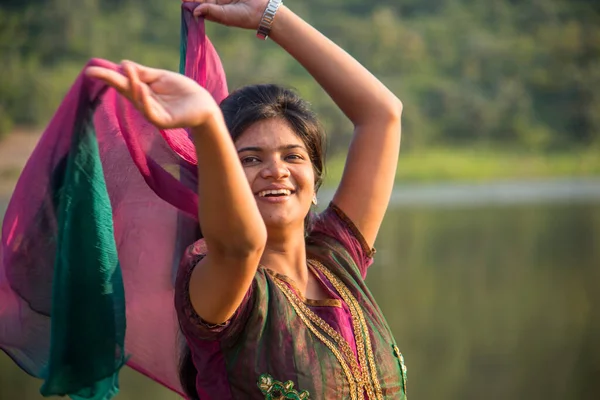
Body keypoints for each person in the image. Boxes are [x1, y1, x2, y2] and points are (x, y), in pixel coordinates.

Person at [87, 0, 405, 398]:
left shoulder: (337, 258)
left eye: (292, 156)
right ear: (220, 182)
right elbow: (242, 245)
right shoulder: (220, 280)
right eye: (250, 159)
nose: (276, 171)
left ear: (315, 179)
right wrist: (204, 122)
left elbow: (383, 114)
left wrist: (271, 15)